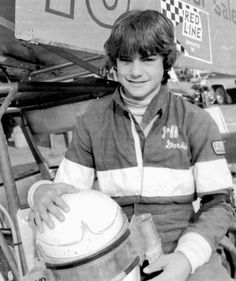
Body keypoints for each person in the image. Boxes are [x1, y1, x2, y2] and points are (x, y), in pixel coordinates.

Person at [27, 9, 235, 281]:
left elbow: (219, 204)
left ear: (166, 62)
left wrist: (186, 259)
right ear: (115, 64)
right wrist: (39, 191)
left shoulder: (196, 121)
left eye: (147, 60)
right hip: (112, 254)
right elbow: (64, 194)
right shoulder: (92, 121)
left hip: (186, 247)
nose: (135, 72)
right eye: (126, 61)